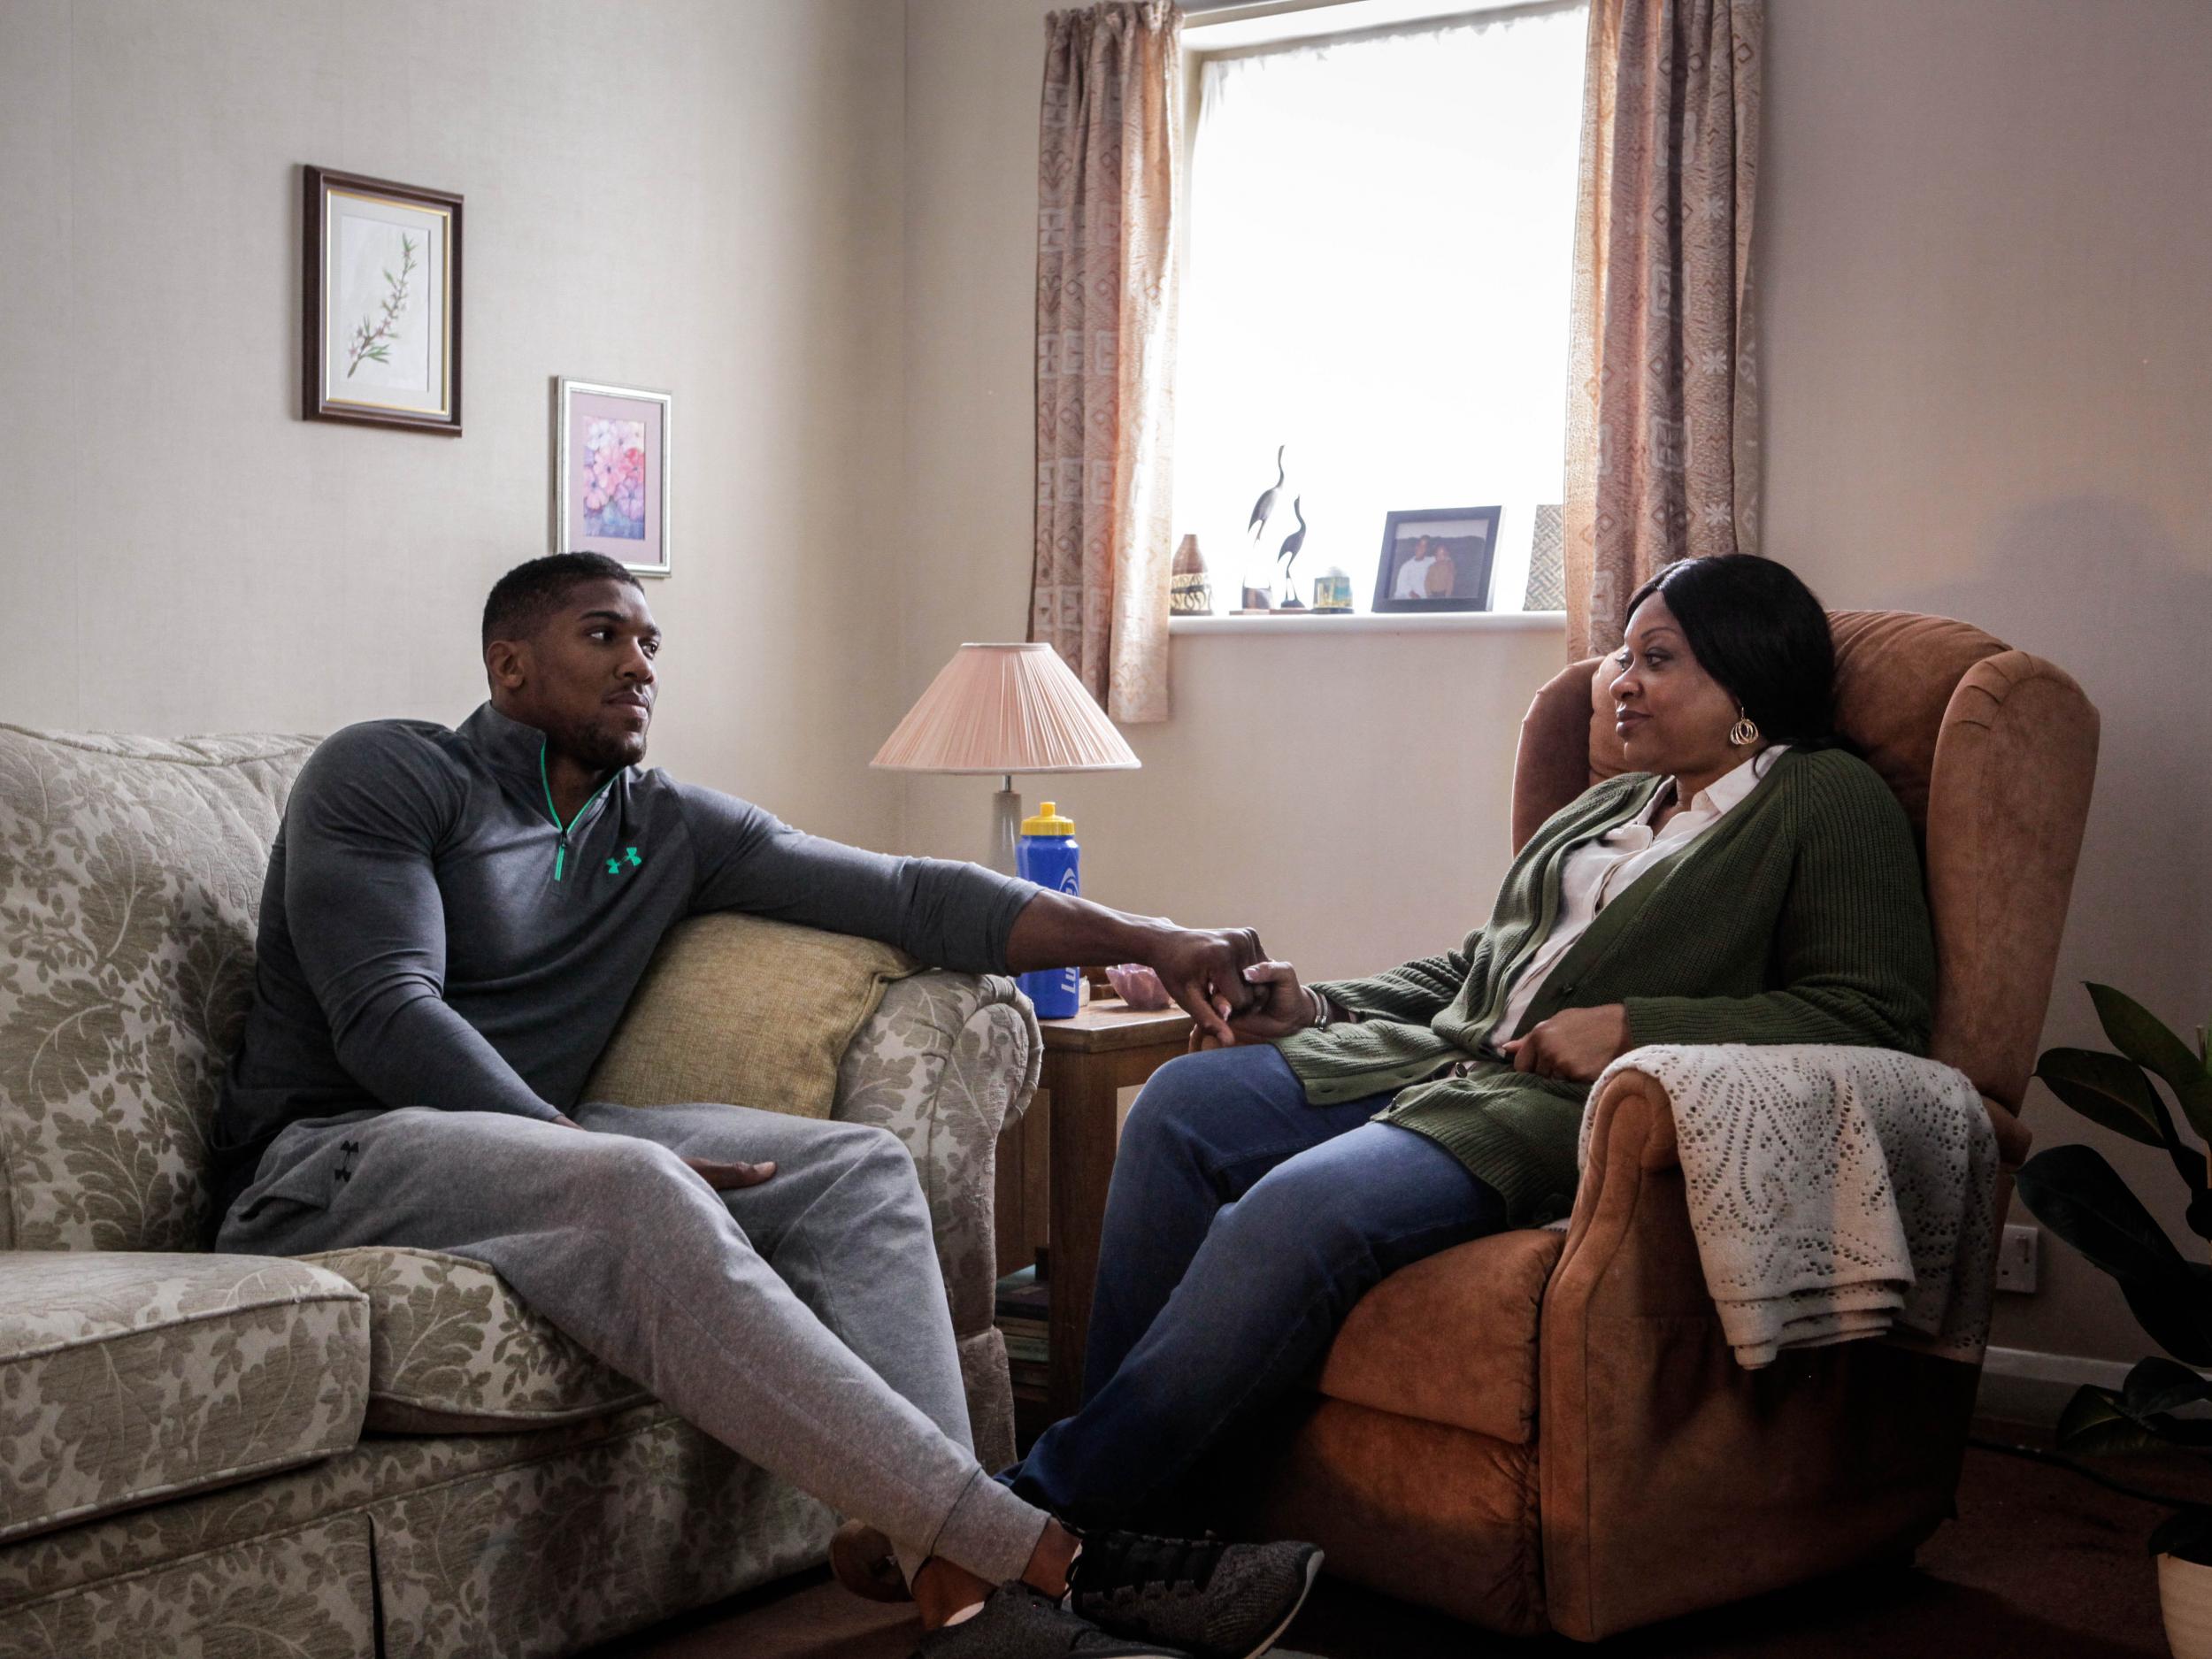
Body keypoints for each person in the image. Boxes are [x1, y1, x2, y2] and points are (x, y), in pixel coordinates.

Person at [210, 552, 1320, 1659]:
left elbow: (908, 893)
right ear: (509, 667)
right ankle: (1050, 1557)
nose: (639, 664)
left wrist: (1153, 937)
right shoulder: (389, 775)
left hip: (538, 1143)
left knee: (855, 1169)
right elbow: (386, 1015)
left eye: (650, 644)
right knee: (630, 1176)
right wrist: (571, 1152)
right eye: (603, 636)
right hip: (331, 1158)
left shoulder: (663, 826)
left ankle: (969, 1611)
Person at [997, 553, 1938, 1528]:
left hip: (1552, 1112)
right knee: (1176, 1107)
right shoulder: (1605, 807)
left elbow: (1873, 1011)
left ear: (1747, 679)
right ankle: (1139, 1516)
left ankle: (1046, 1514)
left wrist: (1636, 1027)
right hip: (1427, 1061)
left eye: (1656, 660)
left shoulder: (1821, 797)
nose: (1620, 682)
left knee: (1299, 1208)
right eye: (1623, 657)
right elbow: (1478, 973)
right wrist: (1315, 1006)